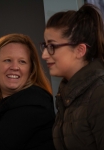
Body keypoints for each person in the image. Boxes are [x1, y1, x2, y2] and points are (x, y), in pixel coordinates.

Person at [40, 3, 104, 150]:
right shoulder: (67, 94)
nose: (44, 55)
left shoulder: (99, 93)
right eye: (45, 46)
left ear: (80, 50)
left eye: (52, 46)